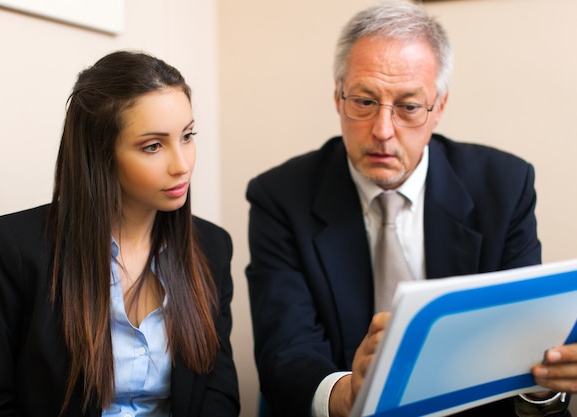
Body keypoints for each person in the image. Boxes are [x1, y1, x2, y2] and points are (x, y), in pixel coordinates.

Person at [246, 2, 574, 417]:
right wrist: (348, 393)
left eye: (409, 107)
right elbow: (286, 352)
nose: (383, 131)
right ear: (337, 96)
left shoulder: (504, 187)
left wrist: (544, 383)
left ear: (439, 107)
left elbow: (520, 348)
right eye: (364, 102)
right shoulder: (280, 196)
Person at [0, 50, 240, 417]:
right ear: (100, 154)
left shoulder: (213, 246)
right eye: (153, 146)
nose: (182, 165)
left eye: (187, 136)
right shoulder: (12, 247)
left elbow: (219, 394)